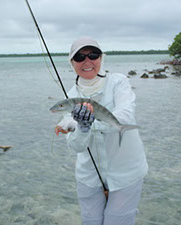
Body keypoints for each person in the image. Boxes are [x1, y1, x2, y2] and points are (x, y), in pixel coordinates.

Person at [55, 36, 148, 225]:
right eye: (80, 57)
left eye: (93, 55)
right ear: (72, 63)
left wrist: (91, 124)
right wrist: (82, 128)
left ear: (101, 58)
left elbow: (125, 114)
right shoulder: (71, 97)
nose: (87, 61)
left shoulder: (118, 82)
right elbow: (77, 147)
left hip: (126, 173)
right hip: (89, 176)